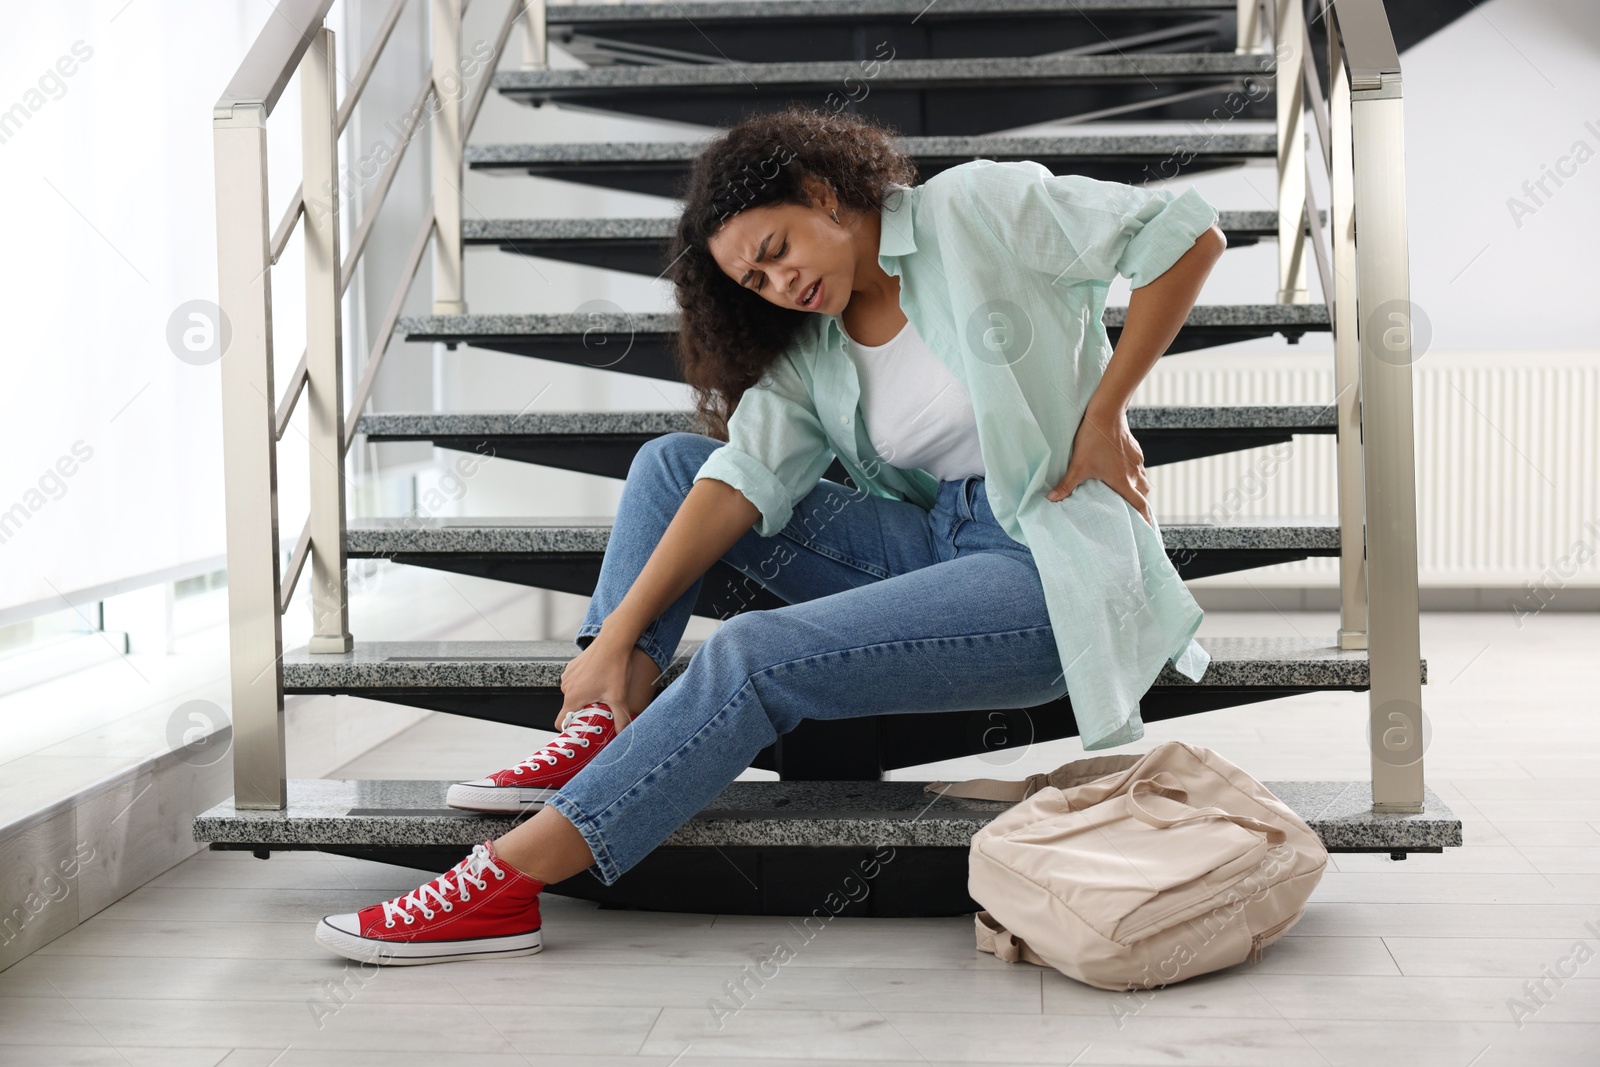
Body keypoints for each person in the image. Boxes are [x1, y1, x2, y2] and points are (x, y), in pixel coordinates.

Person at [314, 104, 1225, 965]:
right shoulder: (816, 349)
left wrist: (1106, 412)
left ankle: (506, 878)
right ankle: (600, 722)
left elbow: (1183, 234)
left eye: (777, 249)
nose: (783, 283)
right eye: (757, 279)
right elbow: (738, 477)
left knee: (753, 653)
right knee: (674, 464)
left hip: (1042, 568)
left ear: (825, 192)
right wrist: (619, 637)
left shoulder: (978, 208)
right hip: (934, 541)